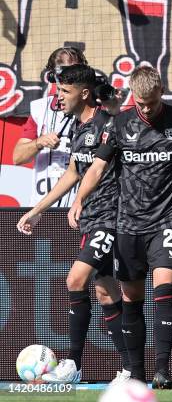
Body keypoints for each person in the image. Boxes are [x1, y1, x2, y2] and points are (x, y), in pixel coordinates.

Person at [67, 66, 172, 389]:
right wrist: (80, 198)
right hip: (128, 225)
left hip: (166, 220)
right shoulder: (120, 124)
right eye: (140, 102)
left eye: (150, 102)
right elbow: (96, 167)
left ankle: (163, 370)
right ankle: (136, 375)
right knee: (132, 298)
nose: (146, 108)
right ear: (132, 96)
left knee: (164, 288)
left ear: (160, 92)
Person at [16, 64, 130, 384]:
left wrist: (80, 198)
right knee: (106, 293)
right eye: (58, 90)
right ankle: (129, 367)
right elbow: (73, 172)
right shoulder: (78, 128)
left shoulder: (107, 123)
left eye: (65, 91)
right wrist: (38, 210)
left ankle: (73, 364)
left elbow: (99, 170)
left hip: (112, 217)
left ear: (83, 93)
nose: (59, 96)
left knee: (74, 279)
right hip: (93, 220)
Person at [13, 47, 86, 207]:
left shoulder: (93, 110)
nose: (70, 78)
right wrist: (39, 142)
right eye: (66, 73)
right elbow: (17, 157)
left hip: (80, 208)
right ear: (54, 76)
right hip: (42, 208)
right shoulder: (40, 108)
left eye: (76, 72)